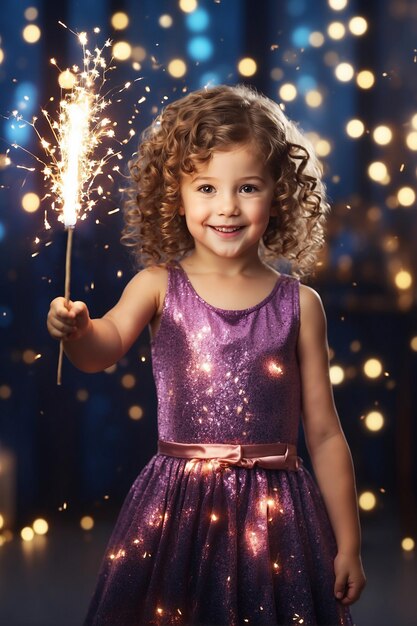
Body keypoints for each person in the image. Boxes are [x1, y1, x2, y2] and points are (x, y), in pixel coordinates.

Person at [47, 84, 366, 626]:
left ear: (279, 193)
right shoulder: (156, 286)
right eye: (205, 187)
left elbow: (326, 433)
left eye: (247, 187)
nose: (227, 207)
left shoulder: (301, 304)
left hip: (279, 518)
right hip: (177, 512)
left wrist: (349, 545)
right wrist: (77, 331)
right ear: (175, 194)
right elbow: (99, 352)